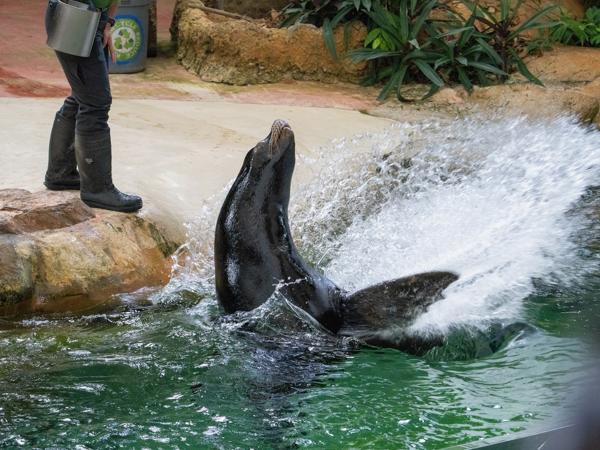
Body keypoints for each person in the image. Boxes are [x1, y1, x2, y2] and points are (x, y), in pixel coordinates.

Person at [44, 0, 142, 213]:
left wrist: (107, 23)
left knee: (83, 96)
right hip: (75, 14)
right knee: (94, 103)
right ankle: (97, 190)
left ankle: (60, 173)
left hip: (94, 18)